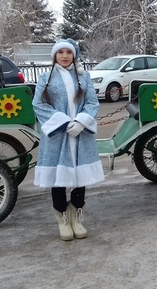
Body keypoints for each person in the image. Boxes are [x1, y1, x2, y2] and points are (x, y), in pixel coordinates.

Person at [32, 39, 105, 240]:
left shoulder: (84, 78)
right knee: (59, 178)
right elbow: (39, 105)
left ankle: (77, 217)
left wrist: (81, 122)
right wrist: (63, 123)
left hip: (80, 135)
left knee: (81, 177)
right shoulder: (46, 78)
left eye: (68, 52)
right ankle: (62, 218)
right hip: (58, 136)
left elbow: (92, 102)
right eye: (60, 52)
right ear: (55, 56)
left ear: (74, 55)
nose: (65, 56)